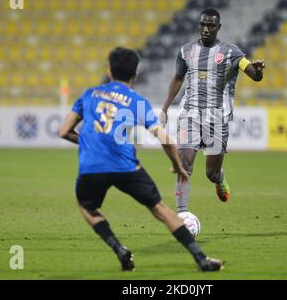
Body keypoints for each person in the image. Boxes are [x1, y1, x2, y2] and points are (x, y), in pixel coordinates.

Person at [59, 47, 224, 272]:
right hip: (126, 165)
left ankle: (119, 248)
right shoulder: (137, 101)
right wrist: (177, 166)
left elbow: (63, 131)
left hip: (92, 167)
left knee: (87, 207)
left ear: (108, 71)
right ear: (135, 74)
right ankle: (201, 258)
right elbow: (165, 140)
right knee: (161, 209)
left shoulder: (89, 95)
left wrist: (90, 143)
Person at [159, 8, 266, 213]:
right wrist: (164, 109)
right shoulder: (186, 51)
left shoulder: (231, 52)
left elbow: (253, 74)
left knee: (211, 173)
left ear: (219, 27)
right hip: (189, 115)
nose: (206, 29)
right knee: (185, 163)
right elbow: (178, 78)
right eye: (203, 24)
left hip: (217, 118)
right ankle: (183, 215)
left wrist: (258, 70)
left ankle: (220, 177)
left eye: (211, 25)